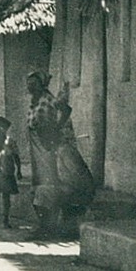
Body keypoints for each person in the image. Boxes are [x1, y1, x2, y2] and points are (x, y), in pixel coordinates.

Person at [24, 69, 95, 239]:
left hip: (50, 148)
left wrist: (55, 130)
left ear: (42, 85)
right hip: (39, 148)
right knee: (38, 188)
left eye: (34, 84)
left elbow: (66, 110)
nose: (30, 87)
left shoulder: (49, 100)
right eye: (29, 84)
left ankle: (48, 228)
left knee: (47, 188)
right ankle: (46, 227)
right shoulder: (34, 103)